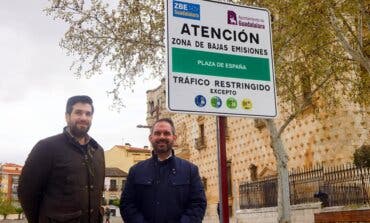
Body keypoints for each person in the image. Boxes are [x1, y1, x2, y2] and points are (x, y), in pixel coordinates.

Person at [18, 95, 105, 223]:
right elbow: (27, 192)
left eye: (88, 114)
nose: (84, 118)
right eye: (78, 113)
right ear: (67, 116)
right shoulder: (47, 147)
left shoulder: (98, 151)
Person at [120, 118, 207, 223]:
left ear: (174, 138)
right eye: (157, 133)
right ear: (150, 138)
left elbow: (198, 204)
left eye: (166, 133)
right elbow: (127, 204)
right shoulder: (136, 171)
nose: (162, 137)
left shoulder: (190, 170)